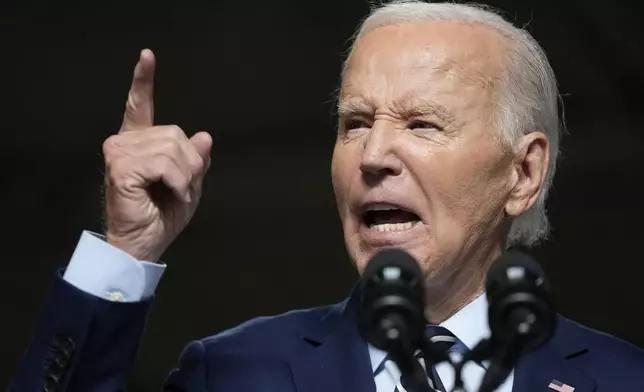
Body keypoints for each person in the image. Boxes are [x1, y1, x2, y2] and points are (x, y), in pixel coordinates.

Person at [10, 1, 644, 391]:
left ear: (523, 174)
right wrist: (127, 249)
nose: (371, 156)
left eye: (421, 123)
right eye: (355, 123)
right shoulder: (232, 375)